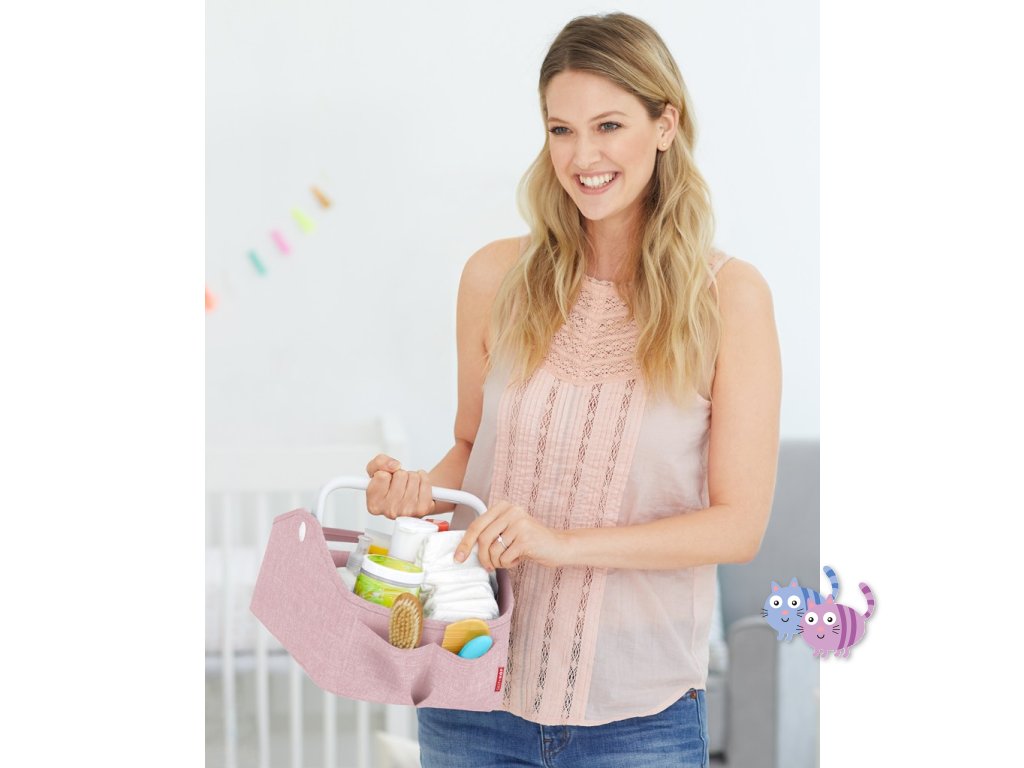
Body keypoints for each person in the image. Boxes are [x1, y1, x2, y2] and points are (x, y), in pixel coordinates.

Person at [363, 12, 781, 768]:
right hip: (469, 695)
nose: (582, 156)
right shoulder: (494, 278)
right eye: (561, 130)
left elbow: (737, 526)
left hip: (639, 719)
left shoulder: (729, 298)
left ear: (665, 124)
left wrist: (562, 545)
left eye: (608, 125)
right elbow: (471, 446)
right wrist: (417, 493)